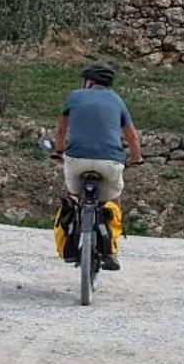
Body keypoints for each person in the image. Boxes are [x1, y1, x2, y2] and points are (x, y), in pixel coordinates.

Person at [53, 64, 142, 270]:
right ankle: (111, 250)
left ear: (89, 82)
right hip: (110, 163)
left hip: (77, 161)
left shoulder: (75, 96)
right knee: (113, 199)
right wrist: (136, 159)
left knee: (74, 196)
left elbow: (61, 129)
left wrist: (58, 151)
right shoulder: (117, 100)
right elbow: (132, 136)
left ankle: (71, 239)